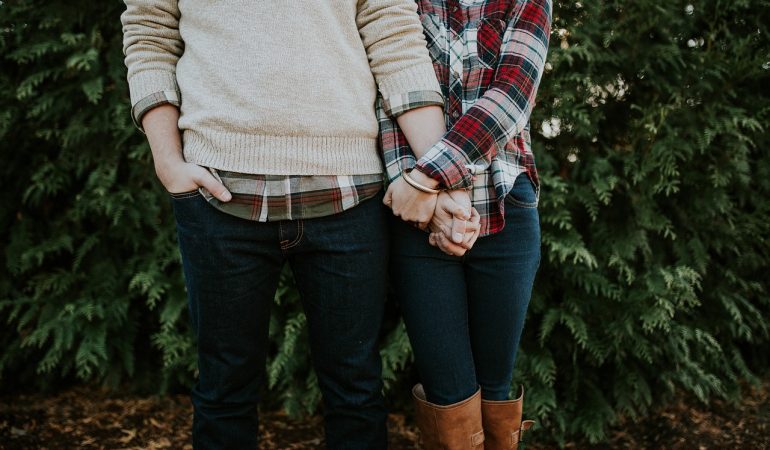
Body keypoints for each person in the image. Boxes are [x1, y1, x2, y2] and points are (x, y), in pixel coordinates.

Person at [120, 1, 448, 448]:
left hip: (349, 193)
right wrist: (168, 162)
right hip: (219, 192)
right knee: (223, 391)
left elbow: (393, 34)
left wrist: (440, 173)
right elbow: (149, 31)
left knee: (355, 390)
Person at [380, 0, 553, 448]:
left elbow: (510, 97)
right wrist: (426, 199)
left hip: (504, 206)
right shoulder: (403, 4)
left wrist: (428, 177)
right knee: (448, 394)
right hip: (420, 218)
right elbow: (389, 94)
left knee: (495, 388)